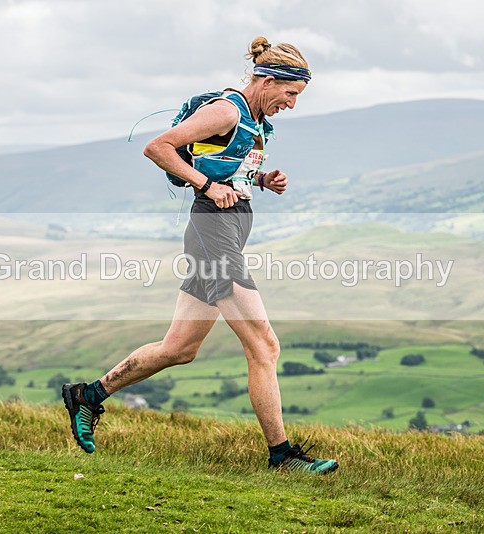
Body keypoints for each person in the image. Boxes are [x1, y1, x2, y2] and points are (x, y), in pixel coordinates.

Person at [62, 37, 338, 474]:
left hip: (223, 230)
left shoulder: (252, 119)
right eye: (290, 93)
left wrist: (262, 179)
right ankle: (282, 456)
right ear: (268, 80)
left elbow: (222, 164)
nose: (292, 103)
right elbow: (158, 147)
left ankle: (87, 395)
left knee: (179, 348)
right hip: (214, 234)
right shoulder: (227, 110)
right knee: (264, 346)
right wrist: (207, 187)